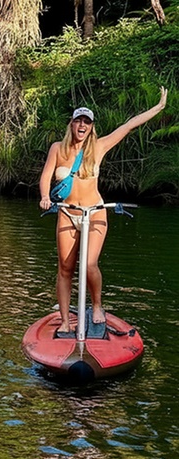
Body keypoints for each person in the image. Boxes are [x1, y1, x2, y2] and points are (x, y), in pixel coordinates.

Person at [38, 87, 168, 333]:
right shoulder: (58, 148)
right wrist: (45, 197)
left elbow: (128, 126)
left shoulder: (98, 147)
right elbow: (46, 176)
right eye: (79, 121)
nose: (82, 125)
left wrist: (158, 107)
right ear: (72, 124)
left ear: (91, 127)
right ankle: (66, 321)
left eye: (87, 122)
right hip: (68, 213)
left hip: (95, 212)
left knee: (88, 265)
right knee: (65, 268)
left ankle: (97, 305)